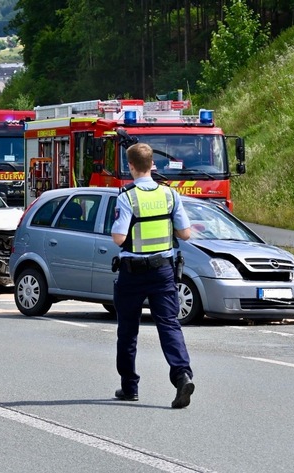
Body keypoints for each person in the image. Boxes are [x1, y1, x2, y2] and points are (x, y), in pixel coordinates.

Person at [110, 143, 195, 409]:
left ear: (131, 166)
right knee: (169, 324)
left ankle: (130, 387)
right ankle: (182, 375)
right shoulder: (170, 196)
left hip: (132, 273)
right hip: (163, 270)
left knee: (128, 330)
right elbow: (185, 234)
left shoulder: (127, 197)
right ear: (152, 165)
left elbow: (118, 238)